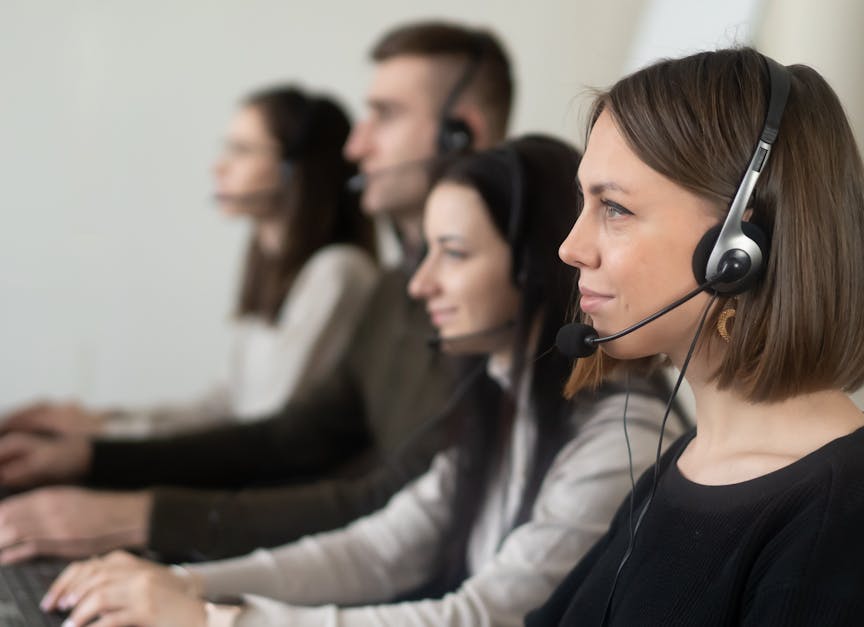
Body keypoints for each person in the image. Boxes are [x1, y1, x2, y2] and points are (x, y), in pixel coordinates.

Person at [41, 135, 679, 627]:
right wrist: (188, 584)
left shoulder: (618, 435)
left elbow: (486, 617)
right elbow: (378, 549)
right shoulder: (503, 401)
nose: (420, 283)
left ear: (537, 268)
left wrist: (215, 617)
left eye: (453, 254)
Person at [0, 21, 514, 565]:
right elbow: (288, 436)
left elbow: (395, 507)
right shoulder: (393, 290)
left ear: (462, 134)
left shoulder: (492, 308)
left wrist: (138, 515)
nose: (355, 145)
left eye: (384, 116)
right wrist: (92, 458)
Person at [525, 48, 864, 626]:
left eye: (615, 208)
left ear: (737, 251)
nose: (571, 247)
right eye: (584, 202)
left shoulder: (859, 524)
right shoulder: (688, 465)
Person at [3, 86, 377, 439]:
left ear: (294, 169)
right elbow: (227, 404)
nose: (219, 167)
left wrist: (104, 439)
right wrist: (102, 423)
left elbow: (263, 427)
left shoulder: (339, 272)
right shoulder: (271, 267)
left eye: (242, 150)